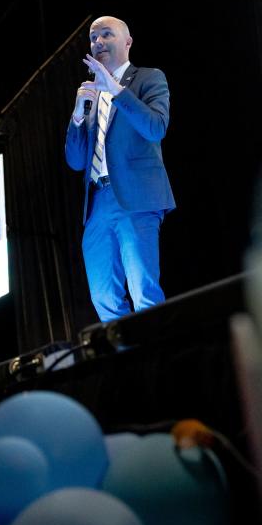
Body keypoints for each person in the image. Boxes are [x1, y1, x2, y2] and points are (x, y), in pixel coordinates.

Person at [65, 16, 175, 322]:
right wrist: (76, 116)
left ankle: (159, 360)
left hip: (135, 198)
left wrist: (114, 89)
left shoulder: (148, 78)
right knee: (103, 297)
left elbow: (155, 127)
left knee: (144, 291)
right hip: (98, 204)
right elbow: (75, 161)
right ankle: (130, 363)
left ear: (127, 42)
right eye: (92, 37)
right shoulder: (91, 95)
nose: (97, 41)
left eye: (106, 35)